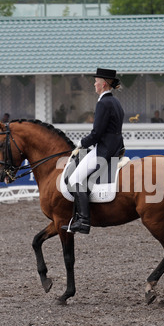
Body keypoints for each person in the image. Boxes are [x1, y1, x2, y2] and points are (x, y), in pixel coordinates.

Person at [62, 68, 125, 235]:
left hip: (104, 150)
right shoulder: (115, 102)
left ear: (103, 84)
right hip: (115, 146)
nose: (94, 84)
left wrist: (81, 144)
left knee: (75, 178)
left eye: (96, 82)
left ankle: (83, 220)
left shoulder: (103, 103)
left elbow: (97, 133)